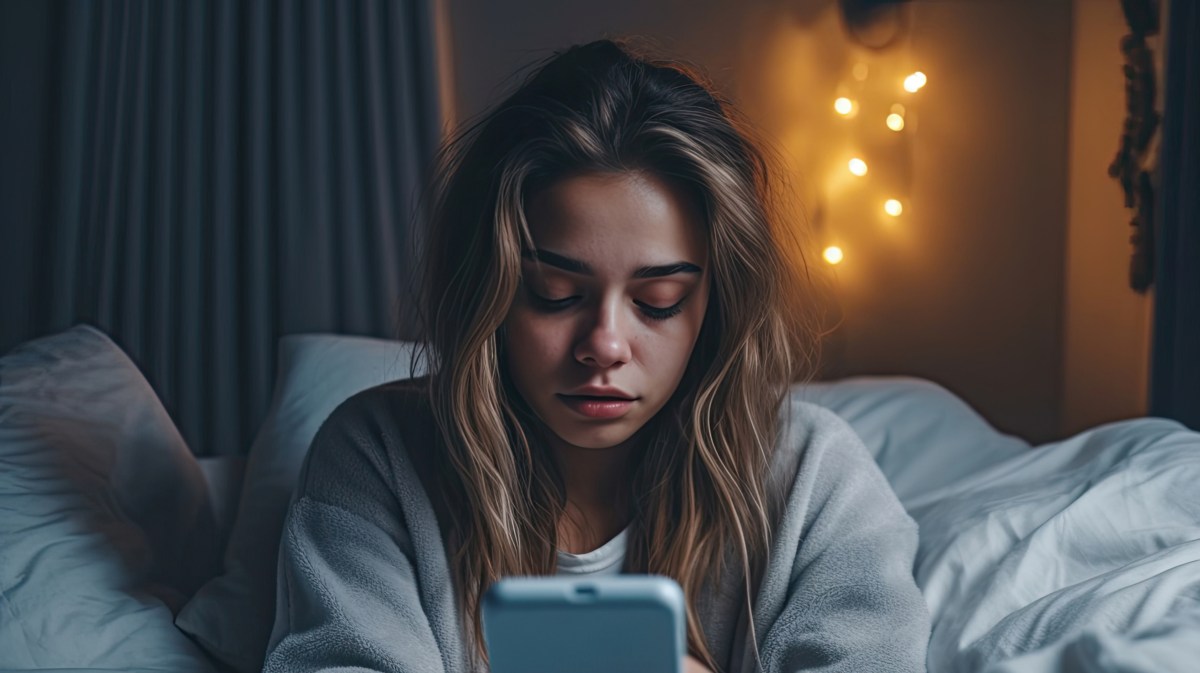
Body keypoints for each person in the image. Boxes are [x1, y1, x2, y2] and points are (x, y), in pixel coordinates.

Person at [262, 38, 930, 673]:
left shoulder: (816, 480)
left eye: (660, 300)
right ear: (488, 293)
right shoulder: (376, 458)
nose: (604, 346)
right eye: (554, 294)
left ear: (716, 305)